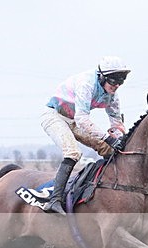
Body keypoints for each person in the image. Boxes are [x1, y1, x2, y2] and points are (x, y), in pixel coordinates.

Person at [40, 56, 130, 214]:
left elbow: (116, 123)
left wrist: (119, 137)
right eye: (113, 81)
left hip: (73, 120)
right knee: (73, 153)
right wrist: (108, 138)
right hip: (55, 116)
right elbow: (82, 119)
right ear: (102, 77)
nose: (116, 86)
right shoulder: (86, 84)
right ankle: (54, 200)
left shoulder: (113, 96)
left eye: (120, 82)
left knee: (108, 149)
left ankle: (106, 189)